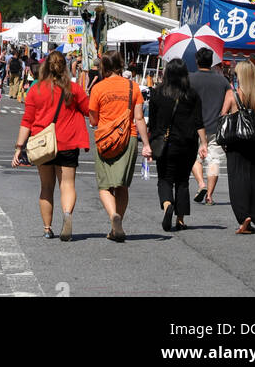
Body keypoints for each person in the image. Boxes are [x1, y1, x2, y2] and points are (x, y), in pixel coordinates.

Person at [12, 52, 90, 240]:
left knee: (46, 186)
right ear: (64, 67)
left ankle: (47, 228)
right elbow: (88, 111)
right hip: (68, 142)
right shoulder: (73, 89)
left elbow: (27, 121)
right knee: (67, 184)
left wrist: (19, 147)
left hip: (43, 144)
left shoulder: (36, 90)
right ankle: (67, 214)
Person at [87, 51, 152, 243]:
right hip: (128, 137)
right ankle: (118, 222)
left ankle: (113, 215)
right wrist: (146, 145)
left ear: (104, 67)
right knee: (122, 185)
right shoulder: (133, 87)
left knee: (104, 185)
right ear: (120, 65)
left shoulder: (98, 88)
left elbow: (93, 120)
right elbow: (139, 118)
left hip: (106, 139)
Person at [148, 59, 207, 232]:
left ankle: (167, 205)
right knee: (182, 180)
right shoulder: (192, 95)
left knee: (165, 178)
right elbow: (198, 121)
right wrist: (204, 143)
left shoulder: (158, 93)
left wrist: (151, 141)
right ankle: (180, 219)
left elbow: (152, 121)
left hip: (165, 143)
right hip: (187, 142)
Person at [219, 59, 255, 233]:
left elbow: (223, 116)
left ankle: (243, 216)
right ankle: (253, 214)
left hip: (236, 140)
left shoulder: (232, 94)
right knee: (254, 178)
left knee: (237, 178)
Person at [189, 47, 230, 205]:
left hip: (194, 126)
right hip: (216, 126)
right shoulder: (222, 80)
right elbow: (229, 99)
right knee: (214, 160)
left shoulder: (190, 79)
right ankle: (210, 196)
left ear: (197, 61)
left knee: (195, 158)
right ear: (212, 61)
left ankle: (201, 184)